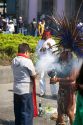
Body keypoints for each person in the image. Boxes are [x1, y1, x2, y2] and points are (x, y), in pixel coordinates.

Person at [50, 50, 78, 125]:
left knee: (69, 111)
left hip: (70, 89)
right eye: (61, 52)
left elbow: (72, 78)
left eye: (62, 52)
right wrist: (51, 74)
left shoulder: (74, 63)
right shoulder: (60, 61)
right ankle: (60, 122)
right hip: (61, 88)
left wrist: (57, 79)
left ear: (67, 53)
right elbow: (53, 71)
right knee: (60, 110)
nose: (60, 54)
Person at [12, 43, 36, 125]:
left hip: (16, 89)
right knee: (26, 113)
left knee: (18, 112)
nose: (29, 54)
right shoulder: (27, 61)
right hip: (25, 90)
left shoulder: (14, 60)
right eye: (29, 53)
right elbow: (33, 74)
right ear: (26, 52)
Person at [36, 32, 47, 96]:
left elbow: (55, 50)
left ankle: (54, 92)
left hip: (50, 61)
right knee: (41, 77)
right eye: (45, 35)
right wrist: (41, 49)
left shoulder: (51, 41)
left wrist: (50, 48)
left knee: (52, 75)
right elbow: (37, 50)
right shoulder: (40, 41)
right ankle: (42, 92)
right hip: (42, 61)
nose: (45, 37)